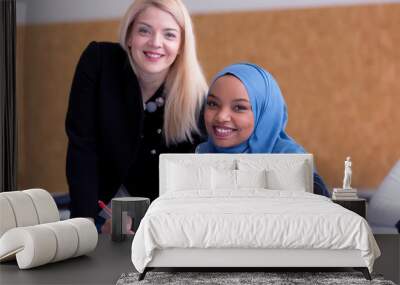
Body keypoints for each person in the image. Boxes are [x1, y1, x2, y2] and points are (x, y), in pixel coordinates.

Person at [65, 0, 208, 231]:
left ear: (181, 45)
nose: (155, 43)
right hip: (97, 205)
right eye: (144, 30)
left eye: (169, 35)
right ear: (129, 36)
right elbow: (82, 147)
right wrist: (86, 223)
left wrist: (145, 224)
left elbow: (187, 182)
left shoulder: (195, 98)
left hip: (160, 218)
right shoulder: (100, 62)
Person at [197, 62, 330, 197]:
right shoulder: (198, 156)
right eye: (213, 104)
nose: (221, 117)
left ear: (265, 114)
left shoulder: (293, 162)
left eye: (239, 107)